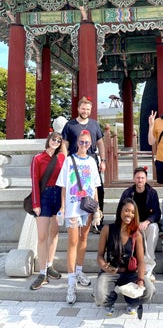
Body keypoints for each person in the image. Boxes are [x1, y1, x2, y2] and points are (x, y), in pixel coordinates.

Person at [56, 129, 101, 304]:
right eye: (81, 142)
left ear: (91, 144)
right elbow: (64, 186)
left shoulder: (91, 161)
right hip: (73, 207)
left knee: (83, 240)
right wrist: (62, 207)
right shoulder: (69, 160)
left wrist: (97, 208)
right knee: (72, 242)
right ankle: (70, 281)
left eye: (87, 143)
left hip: (87, 207)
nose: (84, 145)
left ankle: (80, 270)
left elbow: (95, 186)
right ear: (77, 143)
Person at [94, 198, 155, 318]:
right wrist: (104, 266)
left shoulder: (136, 234)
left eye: (133, 212)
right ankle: (110, 301)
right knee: (100, 297)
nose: (129, 214)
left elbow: (141, 261)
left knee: (149, 291)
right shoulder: (107, 229)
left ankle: (131, 300)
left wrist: (141, 280)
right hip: (110, 272)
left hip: (130, 273)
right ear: (120, 211)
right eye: (127, 210)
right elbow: (100, 255)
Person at [61, 96, 106, 233]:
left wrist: (103, 160)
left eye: (88, 109)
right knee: (75, 189)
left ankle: (97, 220)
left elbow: (100, 143)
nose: (85, 111)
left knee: (97, 190)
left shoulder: (94, 124)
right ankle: (76, 218)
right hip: (74, 161)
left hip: (91, 159)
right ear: (78, 109)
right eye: (83, 108)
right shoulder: (70, 125)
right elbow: (65, 144)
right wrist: (64, 160)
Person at [29, 132, 66, 290]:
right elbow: (34, 182)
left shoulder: (62, 158)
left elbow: (65, 181)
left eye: (58, 140)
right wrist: (36, 203)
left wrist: (64, 205)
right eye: (53, 139)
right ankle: (42, 272)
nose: (56, 142)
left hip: (58, 196)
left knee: (54, 233)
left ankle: (50, 265)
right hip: (43, 196)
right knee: (42, 236)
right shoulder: (37, 158)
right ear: (48, 140)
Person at [118, 167, 161, 282]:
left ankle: (149, 265)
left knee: (154, 227)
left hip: (145, 225)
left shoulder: (152, 193)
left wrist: (147, 221)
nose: (140, 180)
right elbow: (119, 212)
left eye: (142, 178)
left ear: (146, 179)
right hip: (131, 225)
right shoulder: (127, 193)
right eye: (138, 178)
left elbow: (157, 213)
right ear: (134, 179)